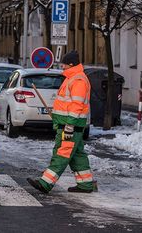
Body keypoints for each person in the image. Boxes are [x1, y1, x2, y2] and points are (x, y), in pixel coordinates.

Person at [27, 50, 95, 194]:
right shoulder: (72, 78)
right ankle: (86, 184)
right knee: (77, 155)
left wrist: (69, 125)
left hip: (70, 126)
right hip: (69, 124)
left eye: (63, 64)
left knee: (62, 153)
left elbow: (76, 105)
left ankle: (46, 183)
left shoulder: (78, 80)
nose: (62, 67)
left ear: (70, 64)